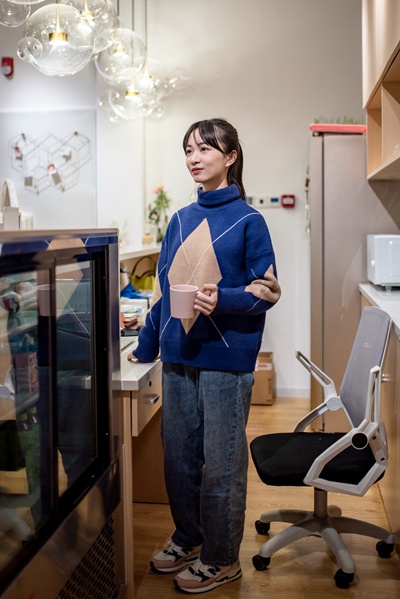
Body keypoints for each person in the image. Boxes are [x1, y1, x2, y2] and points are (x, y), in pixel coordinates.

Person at [130, 117, 281, 594]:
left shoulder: (249, 221)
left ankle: (221, 558)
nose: (194, 158)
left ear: (230, 157)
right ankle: (188, 538)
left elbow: (267, 291)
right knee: (178, 459)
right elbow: (161, 291)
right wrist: (147, 346)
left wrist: (225, 299)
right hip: (178, 357)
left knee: (222, 465)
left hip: (225, 361)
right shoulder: (178, 219)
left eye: (204, 149)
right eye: (188, 150)